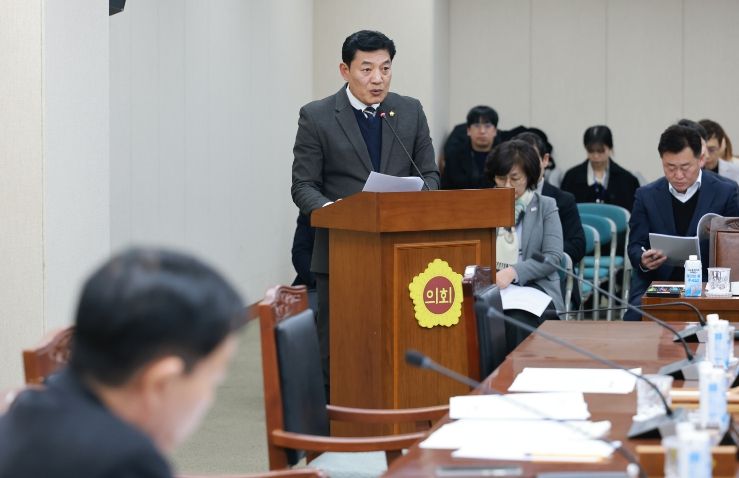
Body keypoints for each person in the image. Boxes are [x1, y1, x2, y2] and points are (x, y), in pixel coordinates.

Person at [0, 247, 246, 477]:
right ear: (161, 382)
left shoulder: (23, 410)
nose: (209, 399)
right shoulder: (127, 461)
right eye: (213, 380)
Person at [291, 30, 439, 392]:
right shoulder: (317, 116)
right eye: (367, 69)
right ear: (345, 70)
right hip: (343, 251)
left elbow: (431, 176)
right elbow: (303, 186)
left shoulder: (410, 111)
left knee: (400, 339)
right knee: (342, 346)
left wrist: (417, 199)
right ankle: (337, 418)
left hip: (402, 251)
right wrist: (335, 211)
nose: (378, 79)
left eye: (385, 68)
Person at [624, 124, 739, 321]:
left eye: (685, 167)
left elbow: (735, 247)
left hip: (709, 285)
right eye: (670, 167)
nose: (678, 175)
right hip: (660, 281)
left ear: (701, 159)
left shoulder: (725, 192)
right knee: (635, 315)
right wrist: (643, 259)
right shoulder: (646, 196)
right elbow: (635, 245)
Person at [485, 140, 563, 352]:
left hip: (535, 287)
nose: (507, 186)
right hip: (490, 286)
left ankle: (515, 372)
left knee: (517, 320)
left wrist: (514, 272)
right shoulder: (483, 205)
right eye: (501, 178)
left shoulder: (546, 206)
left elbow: (552, 257)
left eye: (515, 178)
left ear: (529, 177)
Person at [515, 131, 585, 309]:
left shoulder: (561, 200)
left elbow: (577, 245)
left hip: (549, 279)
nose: (526, 168)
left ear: (545, 160)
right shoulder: (501, 199)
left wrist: (542, 251)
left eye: (531, 160)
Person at [560, 125, 640, 212]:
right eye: (591, 151)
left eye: (600, 151)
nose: (596, 156)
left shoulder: (627, 180)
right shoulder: (571, 177)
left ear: (610, 149)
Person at [441, 105, 498, 189]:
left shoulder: (503, 157)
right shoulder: (454, 156)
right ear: (468, 130)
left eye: (487, 126)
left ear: (495, 131)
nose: (482, 131)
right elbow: (445, 189)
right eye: (477, 126)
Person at [698, 118, 739, 184]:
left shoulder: (736, 171)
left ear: (721, 146)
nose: (707, 156)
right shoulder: (686, 173)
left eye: (711, 150)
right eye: (702, 150)